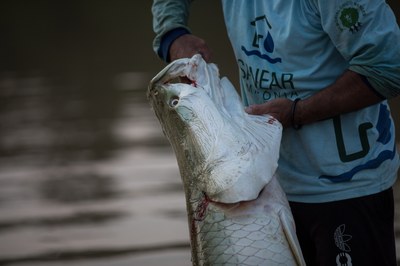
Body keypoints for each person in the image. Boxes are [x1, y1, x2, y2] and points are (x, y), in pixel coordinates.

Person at [151, 1, 400, 265]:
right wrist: (172, 33)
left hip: (346, 187)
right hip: (271, 177)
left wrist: (297, 113)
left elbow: (389, 68)